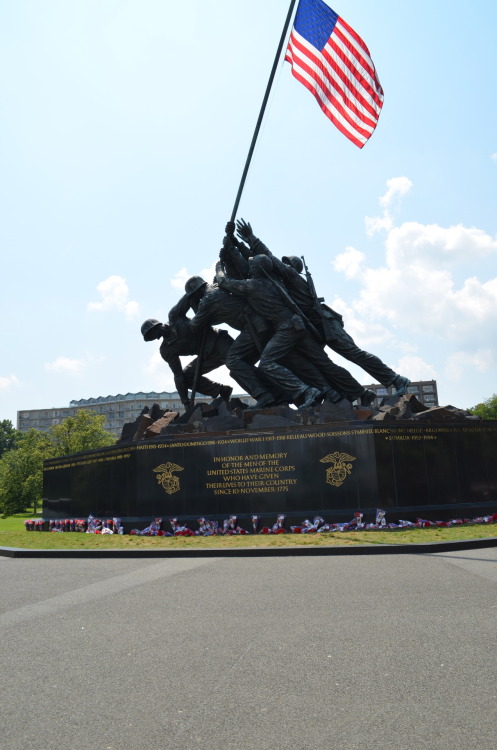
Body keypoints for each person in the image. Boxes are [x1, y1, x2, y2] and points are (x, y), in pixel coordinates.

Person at [232, 219, 410, 396]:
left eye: (286, 263)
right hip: (313, 325)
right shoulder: (281, 283)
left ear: (293, 267)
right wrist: (237, 244)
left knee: (354, 353)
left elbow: (270, 259)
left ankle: (395, 379)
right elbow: (263, 264)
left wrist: (252, 238)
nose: (283, 265)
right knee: (324, 364)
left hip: (325, 321)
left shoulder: (293, 277)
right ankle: (353, 393)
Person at [215, 251, 372, 409]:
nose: (249, 267)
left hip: (286, 328)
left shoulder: (252, 285)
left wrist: (219, 266)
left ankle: (306, 391)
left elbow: (224, 282)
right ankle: (351, 392)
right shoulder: (275, 282)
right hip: (299, 326)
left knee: (267, 363)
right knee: (321, 364)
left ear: (256, 269)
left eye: (252, 264)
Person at [140, 305, 233, 408]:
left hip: (218, 341)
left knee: (237, 365)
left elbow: (191, 296)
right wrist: (185, 400)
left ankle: (254, 392)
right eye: (149, 337)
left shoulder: (175, 317)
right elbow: (178, 375)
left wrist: (201, 313)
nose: (151, 337)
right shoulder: (166, 350)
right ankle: (222, 390)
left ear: (155, 327)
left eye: (150, 334)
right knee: (187, 376)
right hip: (207, 354)